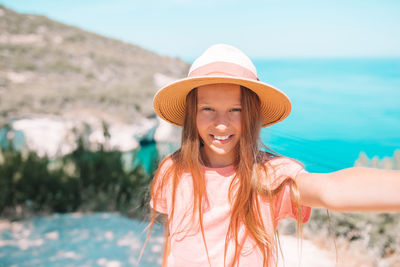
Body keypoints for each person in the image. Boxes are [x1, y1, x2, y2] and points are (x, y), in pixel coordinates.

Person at [147, 44, 400, 267]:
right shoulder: (173, 169)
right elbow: (173, 237)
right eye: (207, 109)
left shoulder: (269, 176)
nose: (221, 123)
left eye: (236, 109)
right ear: (192, 114)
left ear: (253, 115)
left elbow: (332, 190)